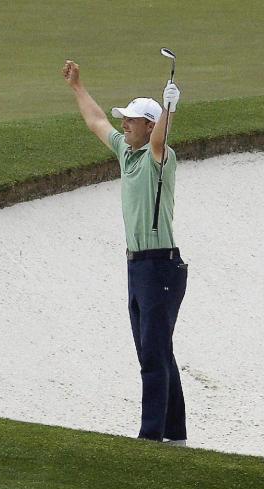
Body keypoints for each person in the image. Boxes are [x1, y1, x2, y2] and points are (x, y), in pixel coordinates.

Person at [61, 59, 189, 445]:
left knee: (153, 353)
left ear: (149, 125)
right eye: (127, 119)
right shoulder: (127, 154)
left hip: (161, 268)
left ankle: (150, 437)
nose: (125, 124)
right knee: (156, 351)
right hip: (138, 268)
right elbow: (97, 122)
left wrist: (169, 109)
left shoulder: (158, 159)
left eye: (133, 120)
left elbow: (160, 143)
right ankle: (176, 435)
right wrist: (78, 88)